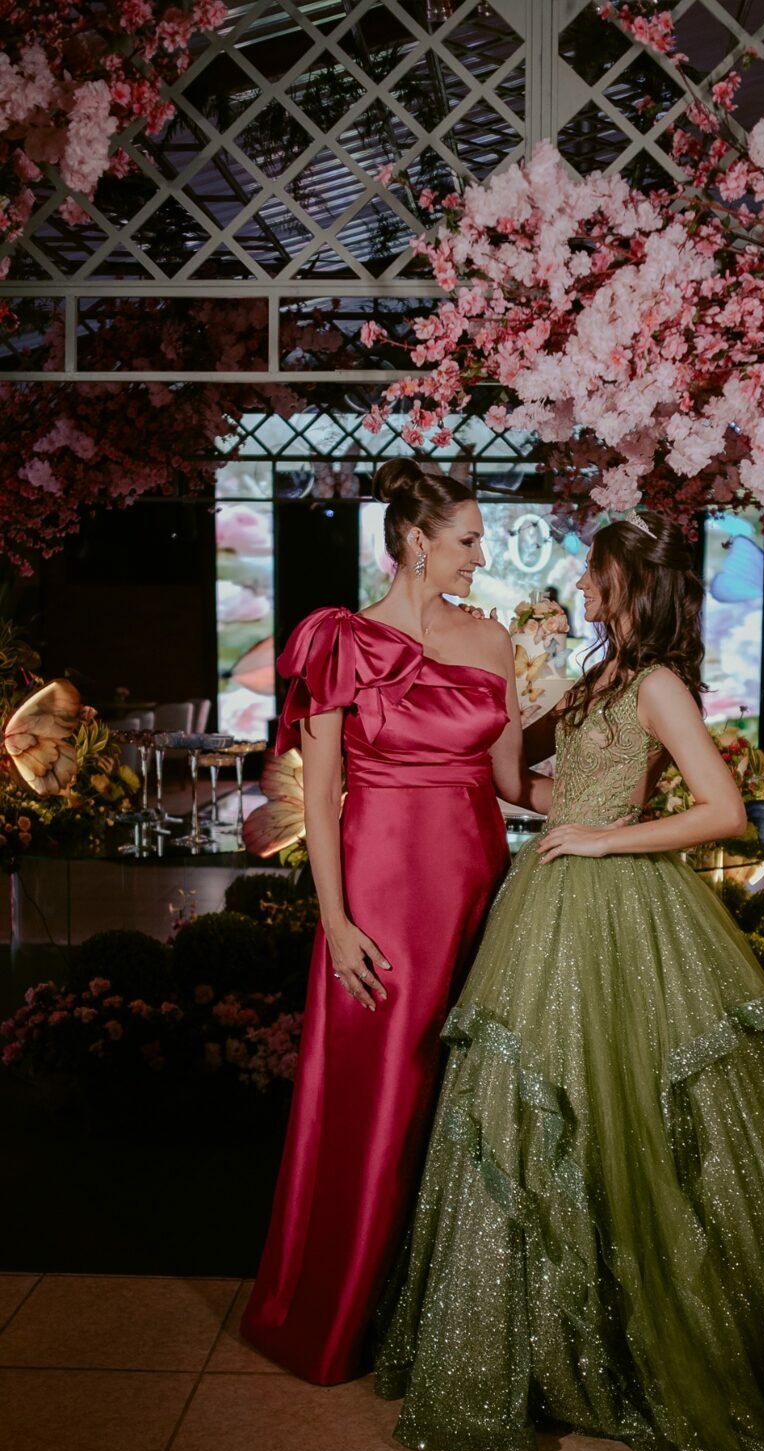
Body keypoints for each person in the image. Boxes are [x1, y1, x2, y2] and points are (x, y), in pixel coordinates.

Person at [374, 509, 764, 1451]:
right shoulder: (594, 678)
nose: (578, 586)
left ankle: (676, 1341)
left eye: (593, 573)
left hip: (621, 904)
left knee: (644, 1118)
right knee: (542, 1107)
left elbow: (723, 811)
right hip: (552, 900)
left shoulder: (657, 683)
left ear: (627, 586)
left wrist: (602, 837)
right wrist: (497, 705)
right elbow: (528, 787)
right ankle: (554, 1345)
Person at [241, 459, 549, 1385]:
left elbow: (510, 782)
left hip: (478, 887)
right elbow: (320, 797)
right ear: (416, 540)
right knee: (380, 1095)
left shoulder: (491, 639)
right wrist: (336, 922)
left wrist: (616, 800)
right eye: (468, 540)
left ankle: (449, 1319)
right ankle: (340, 1312)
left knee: (467, 1094)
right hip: (381, 892)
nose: (480, 557)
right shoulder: (338, 641)